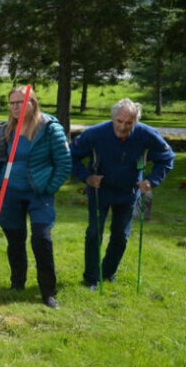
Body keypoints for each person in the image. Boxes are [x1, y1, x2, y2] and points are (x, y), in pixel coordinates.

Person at [70, 98, 175, 289]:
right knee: (94, 233)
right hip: (99, 189)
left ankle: (108, 273)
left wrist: (151, 180)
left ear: (135, 121)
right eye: (119, 121)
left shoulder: (146, 134)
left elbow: (167, 158)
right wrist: (87, 177)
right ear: (112, 118)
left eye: (129, 123)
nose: (123, 127)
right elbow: (72, 156)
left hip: (129, 191)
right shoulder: (95, 133)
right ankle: (91, 278)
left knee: (121, 236)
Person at [0, 86, 71, 308]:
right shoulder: (3, 130)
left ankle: (48, 291)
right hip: (11, 193)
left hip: (39, 193)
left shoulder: (49, 129)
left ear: (32, 103)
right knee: (15, 240)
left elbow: (64, 163)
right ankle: (17, 283)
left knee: (41, 240)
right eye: (12, 103)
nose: (16, 107)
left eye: (21, 102)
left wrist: (49, 187)